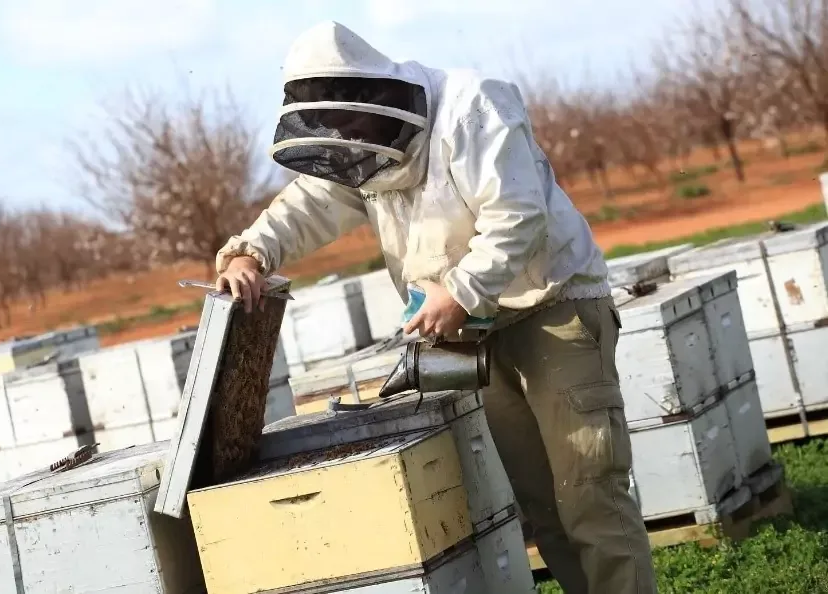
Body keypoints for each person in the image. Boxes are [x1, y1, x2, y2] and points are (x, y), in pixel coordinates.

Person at [214, 20, 656, 594]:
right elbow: (312, 202)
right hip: (473, 333)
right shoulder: (365, 145)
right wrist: (252, 252)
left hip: (554, 306)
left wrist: (462, 291)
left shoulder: (473, 106)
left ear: (373, 95)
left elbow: (518, 217)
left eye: (348, 123)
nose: (345, 137)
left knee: (590, 495)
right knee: (542, 506)